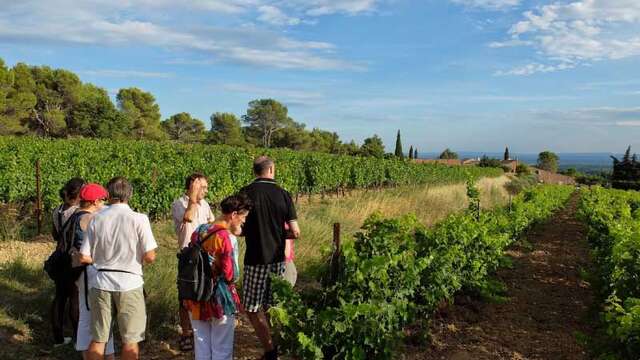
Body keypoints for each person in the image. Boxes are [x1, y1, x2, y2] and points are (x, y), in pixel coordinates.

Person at [79, 177, 158, 360]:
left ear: (108, 194)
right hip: (129, 282)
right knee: (130, 341)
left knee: (99, 339)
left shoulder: (96, 218)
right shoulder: (139, 219)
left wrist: (100, 260)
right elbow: (150, 256)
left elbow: (84, 255)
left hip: (100, 282)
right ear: (129, 194)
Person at [240, 156, 300, 360]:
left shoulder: (245, 193)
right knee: (273, 306)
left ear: (255, 171)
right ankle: (278, 345)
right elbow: (296, 232)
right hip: (277, 259)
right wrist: (279, 234)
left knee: (252, 307)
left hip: (254, 260)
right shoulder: (283, 194)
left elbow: (238, 228)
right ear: (271, 169)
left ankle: (269, 349)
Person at [183, 194, 251, 360]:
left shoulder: (200, 231)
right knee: (222, 349)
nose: (244, 222)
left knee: (202, 347)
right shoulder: (225, 237)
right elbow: (230, 275)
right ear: (233, 215)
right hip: (220, 298)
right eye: (243, 217)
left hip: (197, 296)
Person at [68, 183, 115, 360]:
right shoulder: (89, 219)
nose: (105, 203)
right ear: (95, 201)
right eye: (103, 200)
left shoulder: (75, 215)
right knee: (100, 315)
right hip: (91, 273)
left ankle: (89, 353)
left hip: (80, 273)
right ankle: (102, 355)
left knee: (86, 315)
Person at [171, 173, 215, 351]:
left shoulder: (205, 204)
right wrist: (193, 198)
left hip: (204, 254)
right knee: (185, 294)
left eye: (204, 187)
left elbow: (211, 223)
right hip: (187, 255)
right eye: (201, 187)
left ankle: (201, 328)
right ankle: (186, 332)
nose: (205, 190)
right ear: (191, 187)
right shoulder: (179, 204)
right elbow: (188, 217)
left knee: (204, 291)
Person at [50, 177, 85, 346]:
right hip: (73, 258)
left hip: (59, 257)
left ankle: (58, 337)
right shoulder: (79, 212)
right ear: (79, 193)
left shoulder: (57, 210)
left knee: (59, 297)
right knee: (74, 297)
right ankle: (80, 339)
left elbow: (55, 236)